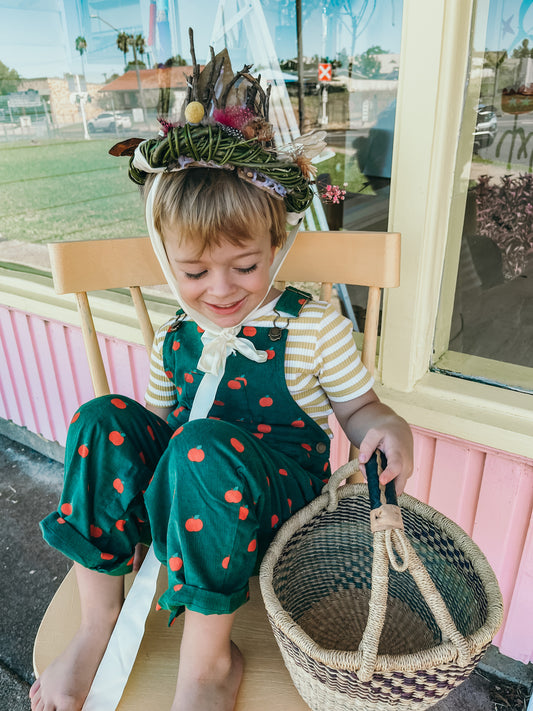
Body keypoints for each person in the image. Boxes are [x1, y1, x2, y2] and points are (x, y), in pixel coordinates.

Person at [30, 45, 413, 711]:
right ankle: (98, 626)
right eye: (194, 271)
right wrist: (137, 448)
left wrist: (384, 426)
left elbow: (361, 407)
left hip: (271, 508)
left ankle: (209, 661)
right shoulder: (177, 337)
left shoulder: (310, 324)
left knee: (201, 446)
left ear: (276, 247)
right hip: (187, 506)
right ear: (166, 259)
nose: (220, 290)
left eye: (244, 264)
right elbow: (153, 436)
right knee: (103, 418)